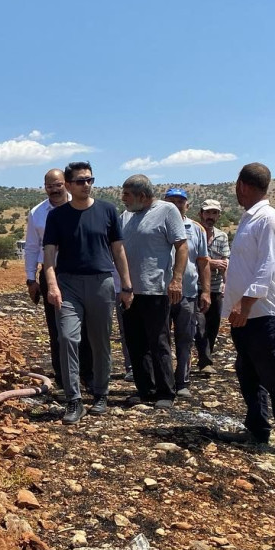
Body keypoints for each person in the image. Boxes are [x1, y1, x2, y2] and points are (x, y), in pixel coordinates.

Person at [219, 162, 275, 463]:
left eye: (236, 187)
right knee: (248, 371)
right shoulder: (249, 219)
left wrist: (245, 303)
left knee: (274, 373)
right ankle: (257, 429)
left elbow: (268, 267)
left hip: (263, 311)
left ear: (242, 185)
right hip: (244, 311)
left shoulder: (268, 219)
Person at [43, 161, 133, 424]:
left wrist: (126, 286)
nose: (86, 185)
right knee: (68, 338)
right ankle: (74, 400)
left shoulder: (107, 210)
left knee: (100, 340)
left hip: (101, 283)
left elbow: (118, 250)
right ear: (69, 185)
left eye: (90, 180)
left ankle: (101, 393)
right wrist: (52, 285)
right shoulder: (57, 216)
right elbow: (49, 255)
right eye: (81, 181)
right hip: (68, 284)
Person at [119, 175, 186, 409]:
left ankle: (166, 392)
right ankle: (145, 389)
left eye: (127, 194)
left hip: (155, 289)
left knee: (158, 342)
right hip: (129, 292)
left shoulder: (167, 210)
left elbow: (182, 246)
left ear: (143, 196)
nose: (123, 199)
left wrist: (176, 279)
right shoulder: (125, 216)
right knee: (135, 342)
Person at [23, 169, 93, 393]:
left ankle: (88, 375)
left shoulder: (83, 205)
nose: (54, 190)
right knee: (56, 328)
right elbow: (32, 247)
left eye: (58, 185)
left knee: (87, 326)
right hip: (51, 274)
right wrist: (30, 279)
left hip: (81, 271)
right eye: (49, 186)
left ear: (67, 184)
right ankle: (63, 377)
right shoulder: (37, 213)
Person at [163, 188, 211, 398]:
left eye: (180, 202)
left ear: (187, 205)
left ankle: (182, 381)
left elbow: (203, 262)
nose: (176, 205)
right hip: (160, 292)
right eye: (171, 201)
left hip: (188, 292)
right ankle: (163, 382)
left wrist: (206, 291)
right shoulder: (157, 223)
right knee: (161, 339)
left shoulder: (197, 229)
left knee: (185, 338)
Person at [194, 199, 230, 375]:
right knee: (198, 325)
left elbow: (225, 261)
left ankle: (205, 359)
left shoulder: (221, 236)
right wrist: (211, 263)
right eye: (208, 213)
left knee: (213, 326)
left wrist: (227, 284)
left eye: (214, 213)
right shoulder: (193, 232)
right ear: (201, 213)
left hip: (216, 288)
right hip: (195, 287)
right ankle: (205, 361)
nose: (211, 216)